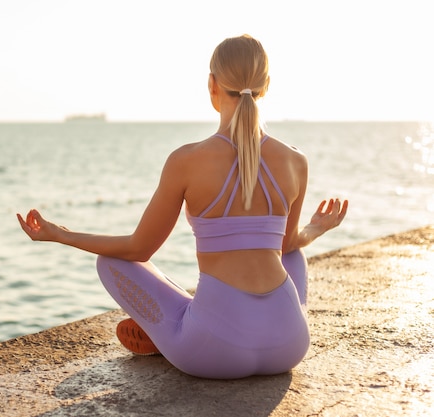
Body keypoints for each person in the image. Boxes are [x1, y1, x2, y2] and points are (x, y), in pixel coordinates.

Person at [18, 34, 348, 379]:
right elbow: (286, 245)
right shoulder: (296, 160)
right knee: (293, 255)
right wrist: (317, 229)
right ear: (266, 86)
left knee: (111, 262)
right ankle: (258, 320)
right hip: (288, 348)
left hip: (212, 353)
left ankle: (165, 333)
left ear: (212, 85)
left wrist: (61, 234)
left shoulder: (187, 161)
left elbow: (137, 248)